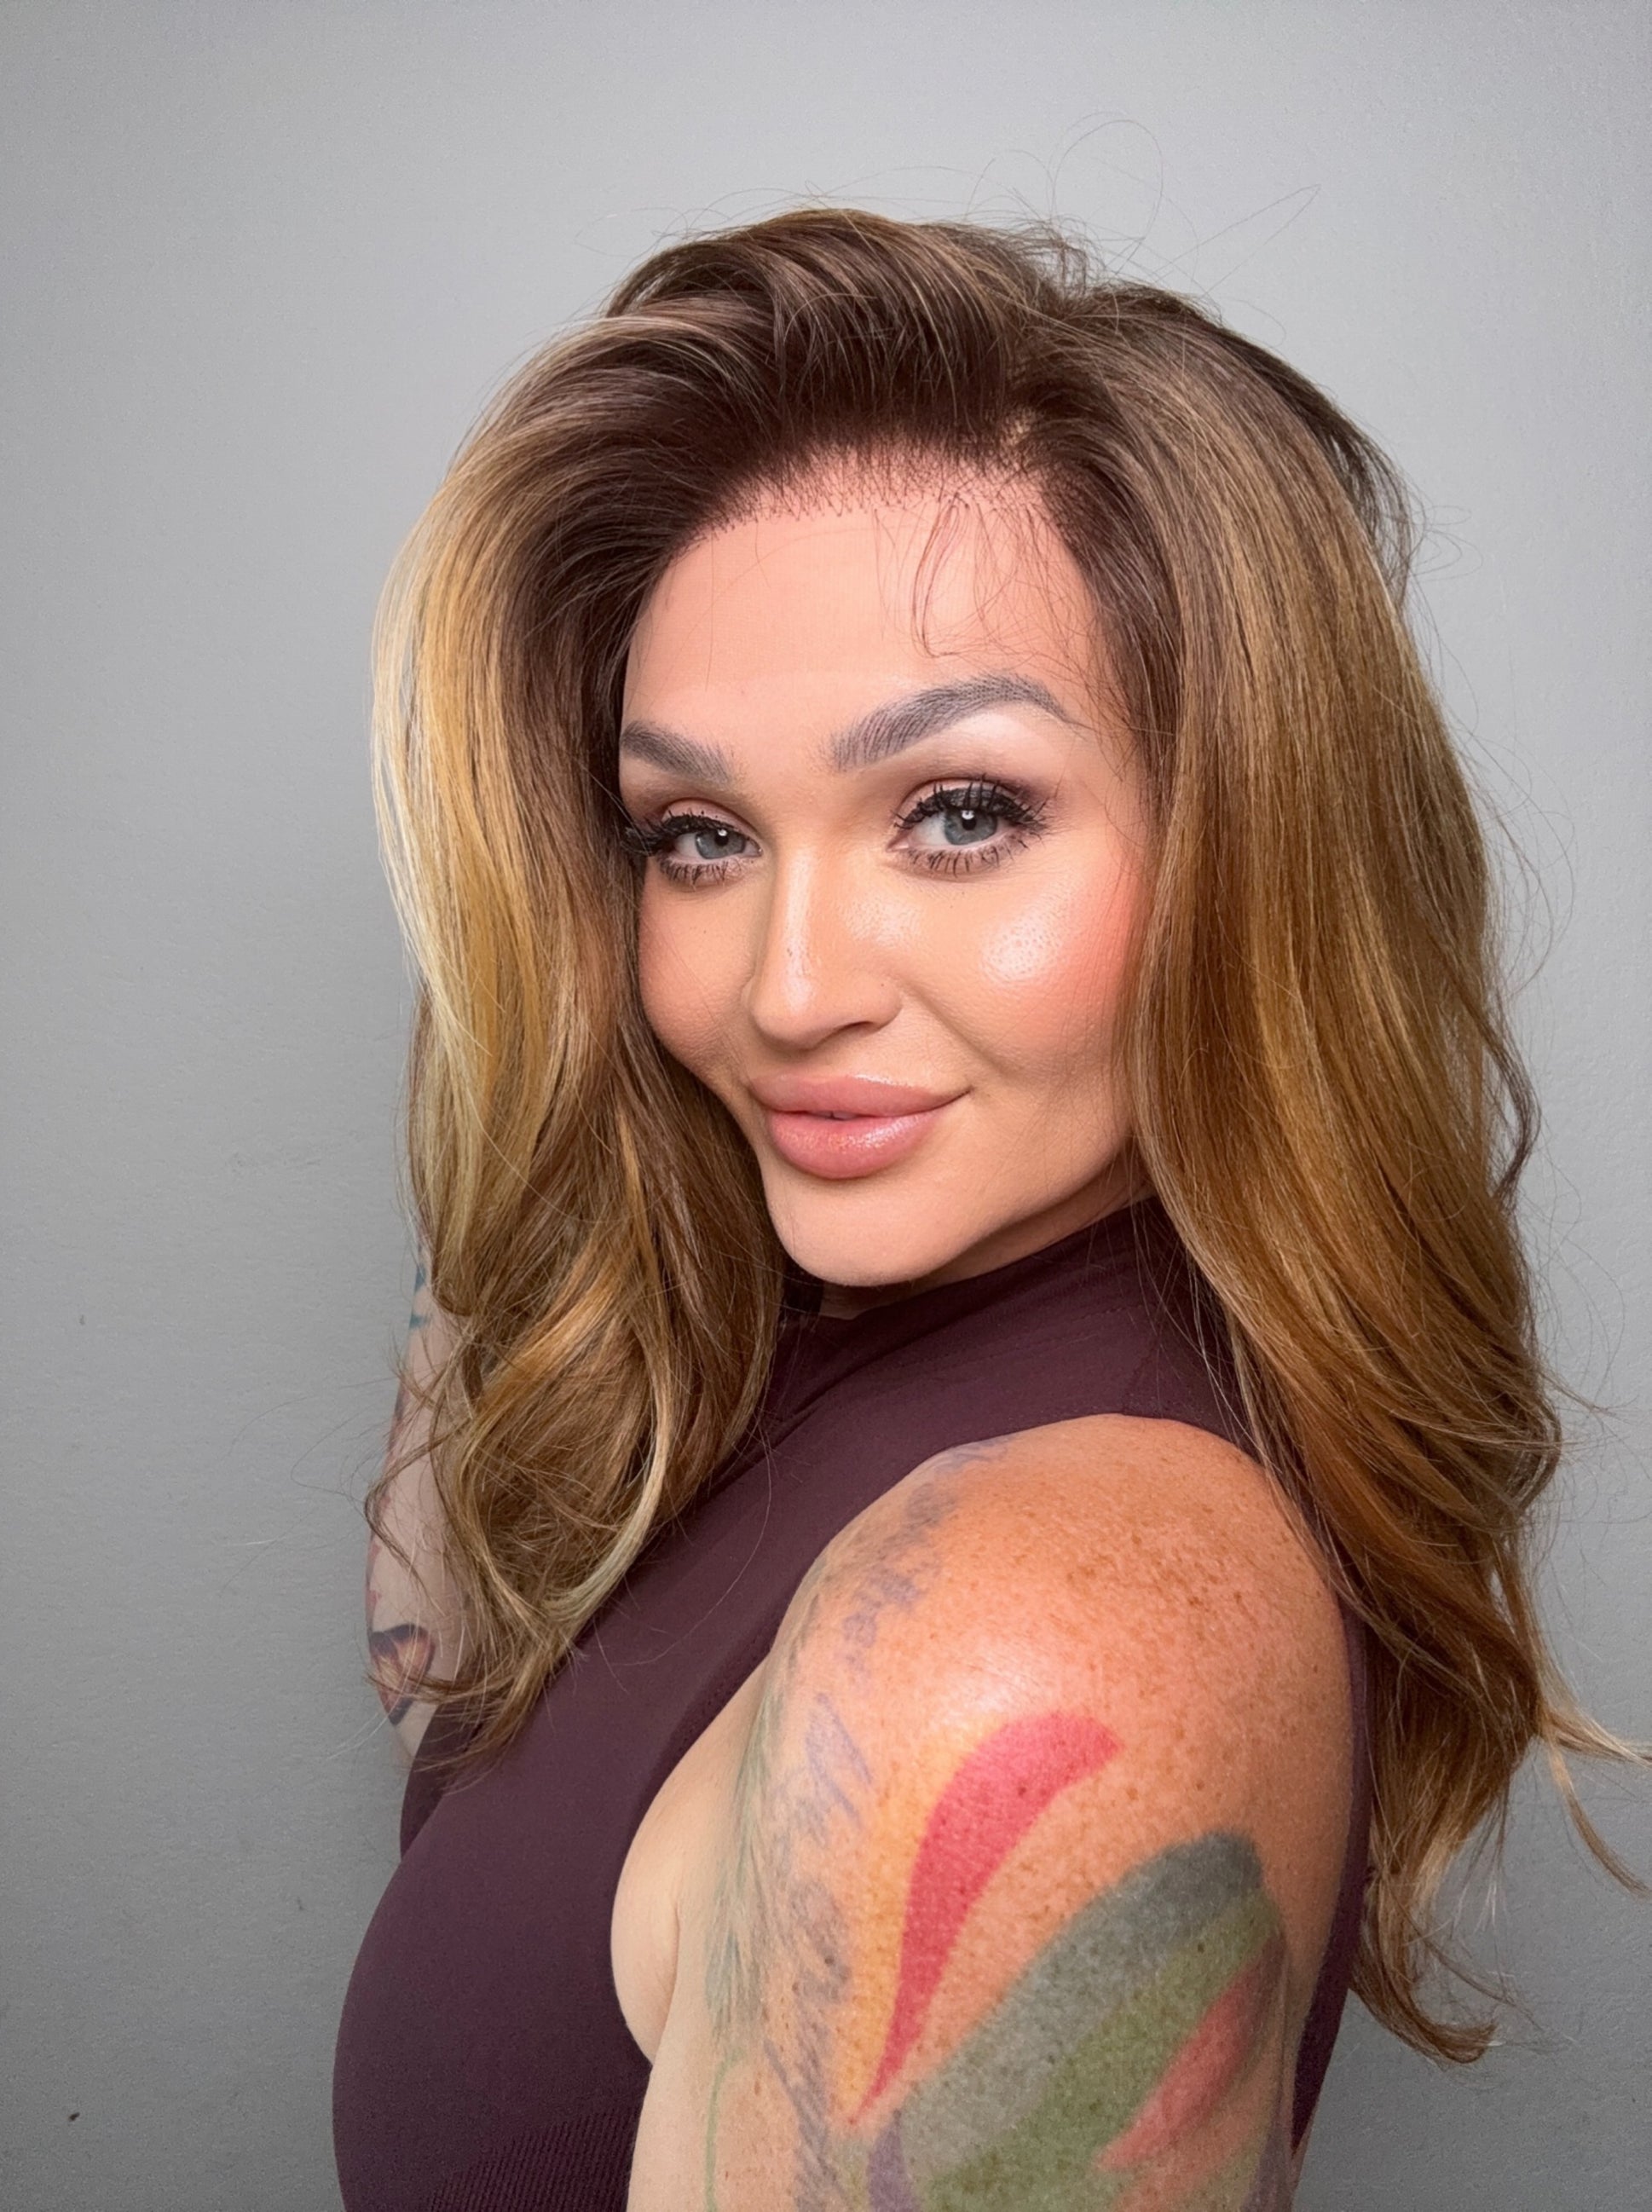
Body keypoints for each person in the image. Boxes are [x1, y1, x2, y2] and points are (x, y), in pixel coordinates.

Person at [332, 209, 1633, 2212]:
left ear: (1248, 850)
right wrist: (531, 1090)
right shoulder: (827, 1340)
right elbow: (453, 1676)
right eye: (698, 835)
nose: (783, 991)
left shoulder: (1031, 1639)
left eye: (959, 813)